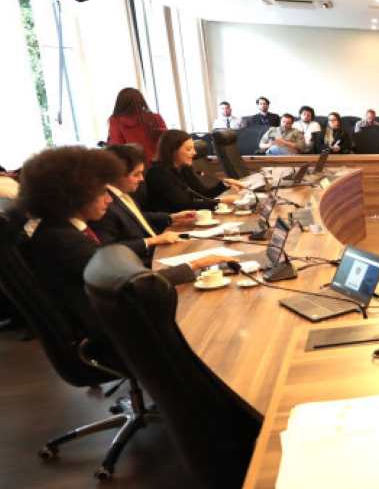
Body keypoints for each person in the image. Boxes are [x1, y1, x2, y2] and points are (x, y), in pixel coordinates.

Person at [19, 146, 221, 362]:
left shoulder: (62, 229)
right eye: (102, 192)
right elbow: (129, 285)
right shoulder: (62, 240)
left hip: (112, 323)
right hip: (111, 339)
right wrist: (194, 265)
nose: (109, 200)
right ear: (74, 196)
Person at [91, 144, 196, 265]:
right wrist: (152, 241)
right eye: (136, 174)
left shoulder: (122, 193)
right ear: (117, 175)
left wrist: (171, 217)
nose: (141, 179)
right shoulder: (104, 204)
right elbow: (109, 250)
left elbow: (136, 218)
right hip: (144, 264)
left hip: (159, 251)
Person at [145, 130, 245, 212]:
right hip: (171, 226)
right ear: (172, 151)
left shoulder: (184, 169)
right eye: (189, 149)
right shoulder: (158, 173)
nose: (194, 152)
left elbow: (203, 194)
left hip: (188, 220)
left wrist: (224, 184)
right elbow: (185, 205)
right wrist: (221, 201)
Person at [106, 87, 167, 163]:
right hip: (157, 163)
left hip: (133, 165)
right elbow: (166, 141)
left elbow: (117, 147)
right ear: (141, 101)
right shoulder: (155, 118)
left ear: (119, 104)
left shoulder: (116, 121)